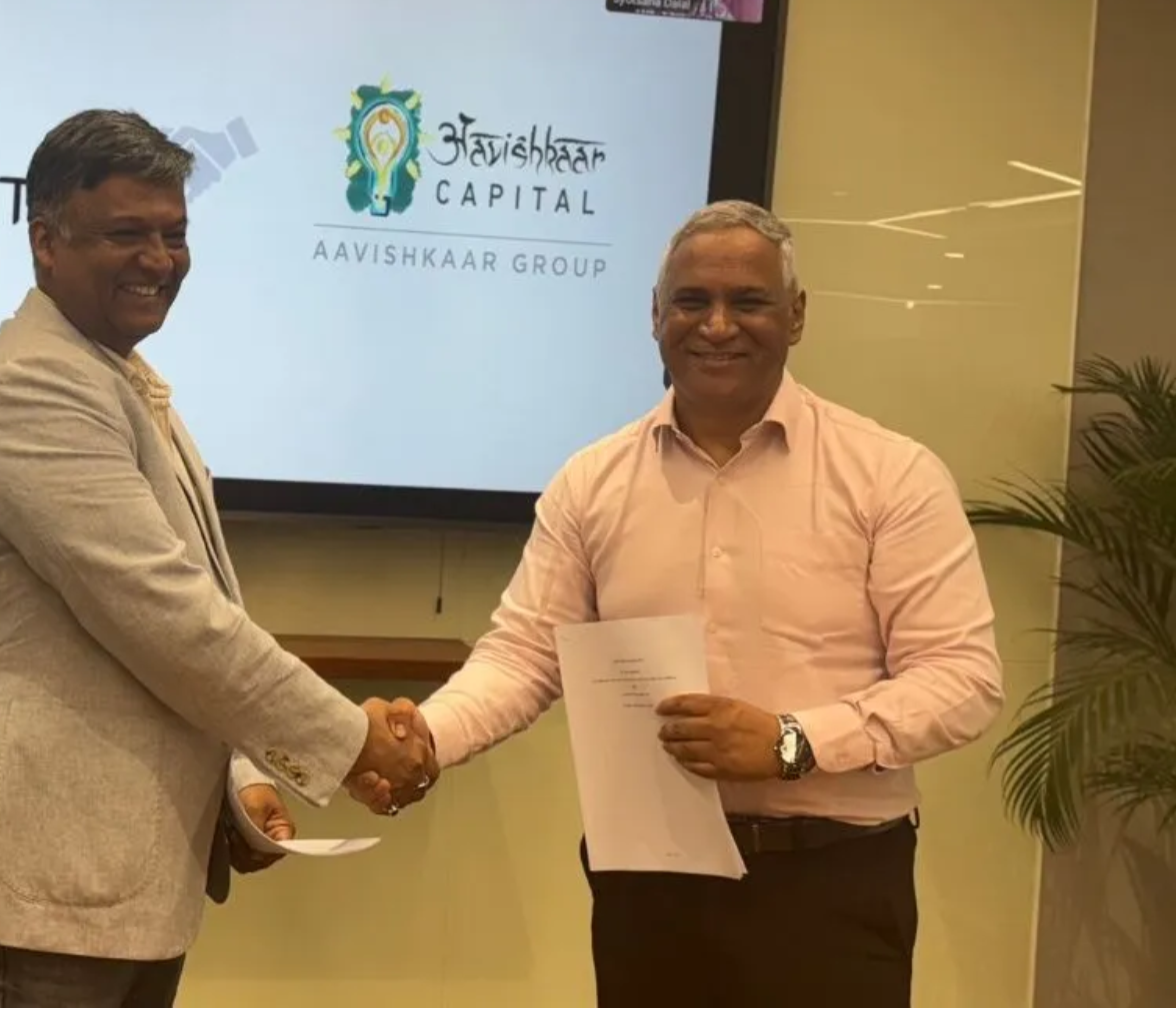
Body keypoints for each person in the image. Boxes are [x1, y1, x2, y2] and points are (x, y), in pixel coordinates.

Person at [371, 200, 1003, 1009]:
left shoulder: (892, 475)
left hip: (831, 886)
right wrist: (426, 735)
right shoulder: (591, 482)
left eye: (749, 301)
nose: (717, 325)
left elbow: (962, 679)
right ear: (655, 314)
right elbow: (523, 656)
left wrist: (792, 740)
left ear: (797, 315)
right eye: (692, 300)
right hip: (650, 892)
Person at [0, 109, 435, 1010]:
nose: (160, 258)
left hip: (112, 893)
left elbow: (177, 634)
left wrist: (244, 780)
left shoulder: (115, 374)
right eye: (126, 233)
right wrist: (349, 741)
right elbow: (167, 619)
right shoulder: (35, 382)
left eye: (174, 234)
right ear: (45, 241)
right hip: (40, 902)